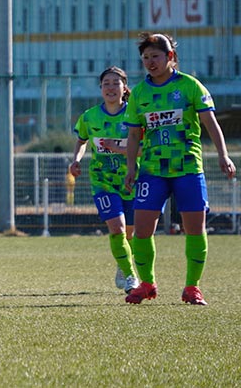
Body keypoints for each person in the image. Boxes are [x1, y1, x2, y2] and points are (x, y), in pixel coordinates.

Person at [123, 32, 236, 305]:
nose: (150, 62)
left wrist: (223, 155)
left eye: (155, 56)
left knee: (195, 228)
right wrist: (130, 169)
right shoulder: (139, 93)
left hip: (187, 168)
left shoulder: (190, 86)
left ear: (170, 56)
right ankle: (147, 283)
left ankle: (192, 287)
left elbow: (210, 124)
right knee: (142, 229)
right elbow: (134, 135)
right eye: (145, 57)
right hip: (152, 170)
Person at [69, 66, 139, 294]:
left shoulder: (135, 115)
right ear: (100, 88)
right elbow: (81, 141)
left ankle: (122, 264)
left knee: (131, 234)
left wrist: (118, 148)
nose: (110, 87)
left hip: (132, 179)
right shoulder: (89, 117)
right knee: (117, 229)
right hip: (103, 181)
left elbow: (144, 148)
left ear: (124, 88)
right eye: (106, 83)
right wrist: (76, 160)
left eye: (115, 83)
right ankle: (130, 276)